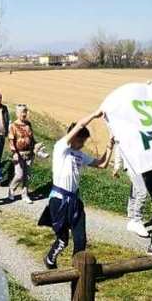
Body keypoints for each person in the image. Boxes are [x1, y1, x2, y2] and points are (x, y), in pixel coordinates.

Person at [39, 110, 114, 269]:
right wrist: (94, 115)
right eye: (82, 140)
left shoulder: (80, 155)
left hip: (74, 201)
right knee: (63, 239)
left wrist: (109, 146)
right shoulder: (61, 148)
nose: (83, 144)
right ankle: (50, 259)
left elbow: (102, 164)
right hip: (58, 200)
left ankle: (79, 271)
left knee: (81, 239)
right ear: (74, 137)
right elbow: (80, 125)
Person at [112, 144, 150, 237]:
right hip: (132, 165)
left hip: (140, 164)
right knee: (142, 192)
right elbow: (119, 145)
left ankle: (132, 217)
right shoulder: (124, 131)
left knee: (136, 190)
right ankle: (136, 220)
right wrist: (117, 167)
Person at [7, 104, 35, 203]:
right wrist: (14, 152)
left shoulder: (28, 124)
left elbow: (32, 139)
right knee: (19, 175)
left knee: (27, 175)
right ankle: (11, 189)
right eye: (21, 112)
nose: (23, 114)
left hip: (29, 153)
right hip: (18, 154)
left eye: (25, 112)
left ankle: (25, 194)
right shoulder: (13, 126)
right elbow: (11, 140)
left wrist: (35, 149)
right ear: (17, 113)